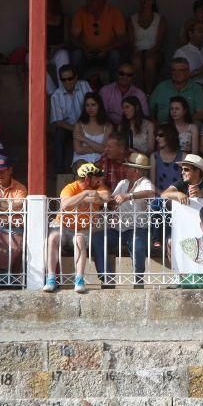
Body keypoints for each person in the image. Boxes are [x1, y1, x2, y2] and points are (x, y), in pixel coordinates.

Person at [43, 162, 111, 294]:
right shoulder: (70, 188)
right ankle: (51, 278)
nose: (100, 180)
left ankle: (79, 280)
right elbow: (66, 204)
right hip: (63, 226)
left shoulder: (98, 186)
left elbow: (105, 197)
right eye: (97, 177)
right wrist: (85, 194)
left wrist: (88, 198)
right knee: (52, 238)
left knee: (79, 240)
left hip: (82, 229)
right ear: (87, 179)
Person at [92, 152, 155, 288]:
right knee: (98, 238)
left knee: (137, 243)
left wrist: (129, 196)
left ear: (136, 170)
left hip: (138, 228)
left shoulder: (145, 182)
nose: (125, 170)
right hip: (119, 228)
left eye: (128, 167)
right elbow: (113, 202)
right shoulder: (123, 183)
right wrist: (108, 202)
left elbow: (150, 193)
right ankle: (106, 278)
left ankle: (138, 280)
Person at [69, 0, 128, 79]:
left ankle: (114, 89)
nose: (87, 2)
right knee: (76, 55)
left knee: (115, 55)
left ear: (102, 2)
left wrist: (106, 49)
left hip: (107, 53)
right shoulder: (81, 12)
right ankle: (77, 88)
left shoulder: (114, 12)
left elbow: (123, 38)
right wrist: (84, 49)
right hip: (87, 53)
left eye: (91, 0)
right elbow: (73, 37)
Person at [50, 64, 92, 174]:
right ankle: (59, 172)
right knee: (59, 135)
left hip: (87, 124)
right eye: (64, 80)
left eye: (70, 78)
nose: (67, 82)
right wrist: (75, 129)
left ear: (76, 77)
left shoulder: (84, 86)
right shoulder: (56, 95)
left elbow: (94, 105)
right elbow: (58, 121)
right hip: (68, 128)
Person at [128, 0, 167, 92]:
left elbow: (160, 42)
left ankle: (149, 93)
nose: (145, 0)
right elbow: (131, 41)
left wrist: (150, 52)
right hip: (137, 51)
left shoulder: (160, 19)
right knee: (136, 62)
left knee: (149, 62)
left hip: (155, 52)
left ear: (153, 0)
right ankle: (140, 93)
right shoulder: (132, 18)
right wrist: (137, 51)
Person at [149, 58, 203, 124]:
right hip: (164, 128)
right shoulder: (161, 87)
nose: (177, 73)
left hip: (188, 127)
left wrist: (182, 123)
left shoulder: (197, 89)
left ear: (187, 72)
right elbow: (150, 112)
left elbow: (201, 113)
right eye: (174, 70)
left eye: (181, 70)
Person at [71, 92, 113, 170]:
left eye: (93, 105)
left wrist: (84, 139)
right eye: (87, 105)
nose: (90, 108)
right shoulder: (79, 125)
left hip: (101, 161)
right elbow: (78, 150)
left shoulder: (108, 126)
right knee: (84, 170)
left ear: (99, 106)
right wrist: (98, 148)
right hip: (81, 160)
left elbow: (105, 149)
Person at [174, 19, 203, 88]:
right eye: (200, 31)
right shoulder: (181, 52)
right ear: (190, 34)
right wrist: (200, 70)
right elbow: (177, 77)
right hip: (191, 89)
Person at [151, 124, 185, 193]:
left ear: (170, 136)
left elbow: (187, 182)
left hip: (179, 199)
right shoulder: (154, 156)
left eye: (160, 135)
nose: (157, 138)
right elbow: (152, 185)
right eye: (156, 135)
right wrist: (164, 195)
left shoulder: (183, 156)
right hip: (160, 198)